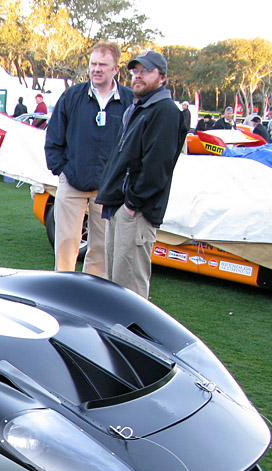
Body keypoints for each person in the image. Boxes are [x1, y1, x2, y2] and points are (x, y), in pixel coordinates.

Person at [96, 50, 190, 299]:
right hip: (120, 207)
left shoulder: (165, 111)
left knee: (130, 293)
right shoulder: (140, 108)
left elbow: (157, 168)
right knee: (115, 286)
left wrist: (132, 204)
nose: (138, 75)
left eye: (146, 71)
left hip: (135, 213)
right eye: (135, 70)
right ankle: (115, 337)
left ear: (162, 77)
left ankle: (131, 338)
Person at [43, 41, 133, 276]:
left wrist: (121, 180)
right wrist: (62, 170)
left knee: (101, 249)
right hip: (72, 183)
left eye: (103, 64)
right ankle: (63, 292)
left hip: (109, 189)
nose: (96, 69)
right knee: (65, 245)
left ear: (116, 69)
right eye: (93, 64)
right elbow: (53, 137)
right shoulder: (72, 96)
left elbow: (135, 145)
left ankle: (90, 298)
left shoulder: (129, 101)